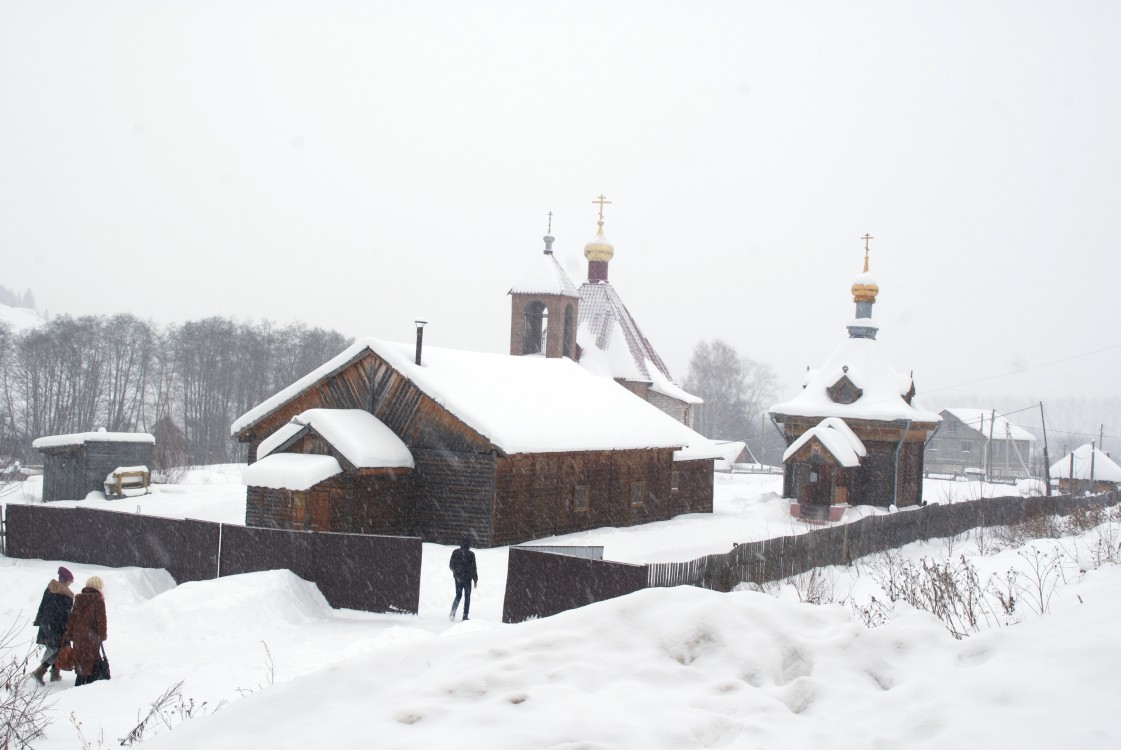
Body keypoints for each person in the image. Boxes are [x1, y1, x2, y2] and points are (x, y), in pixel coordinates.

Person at [30, 566, 75, 685]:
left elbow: (43, 605)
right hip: (58, 626)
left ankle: (55, 674)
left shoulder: (50, 588)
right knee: (58, 649)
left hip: (46, 624)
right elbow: (65, 614)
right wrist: (68, 627)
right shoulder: (67, 595)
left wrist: (39, 620)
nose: (71, 583)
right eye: (71, 581)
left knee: (56, 648)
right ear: (66, 580)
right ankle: (40, 672)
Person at [62, 576, 109, 687]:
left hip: (79, 636)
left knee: (81, 661)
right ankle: (88, 686)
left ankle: (79, 682)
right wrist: (102, 635)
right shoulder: (98, 600)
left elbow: (73, 617)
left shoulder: (79, 598)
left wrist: (70, 634)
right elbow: (101, 620)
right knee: (92, 662)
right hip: (92, 637)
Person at [448, 538, 478, 621]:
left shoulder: (455, 552)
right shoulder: (471, 554)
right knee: (467, 596)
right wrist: (475, 579)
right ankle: (465, 616)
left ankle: (453, 612)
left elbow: (451, 565)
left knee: (458, 595)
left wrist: (456, 573)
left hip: (458, 579)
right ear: (469, 545)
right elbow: (473, 568)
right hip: (467, 579)